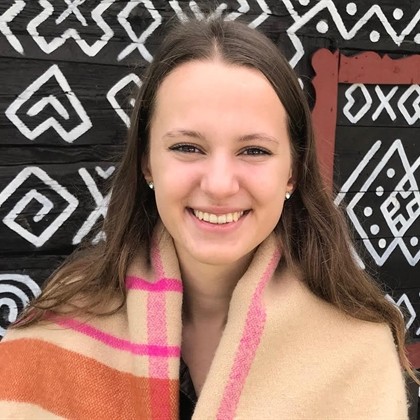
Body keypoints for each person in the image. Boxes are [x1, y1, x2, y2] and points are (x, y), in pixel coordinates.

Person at [0, 18, 415, 419]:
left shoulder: (357, 350)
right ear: (146, 163)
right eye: (187, 147)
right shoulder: (58, 330)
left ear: (292, 172)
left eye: (254, 150)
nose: (218, 185)